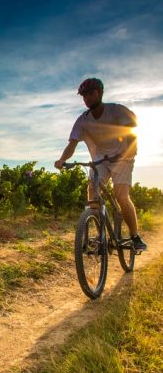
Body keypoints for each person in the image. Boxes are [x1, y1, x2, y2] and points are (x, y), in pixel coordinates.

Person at [54, 78, 147, 251]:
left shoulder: (117, 110)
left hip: (123, 157)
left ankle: (135, 236)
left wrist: (126, 152)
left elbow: (132, 133)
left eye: (90, 93)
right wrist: (62, 160)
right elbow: (72, 144)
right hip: (100, 160)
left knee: (121, 196)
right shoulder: (82, 120)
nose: (87, 98)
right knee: (92, 192)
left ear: (99, 93)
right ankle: (100, 234)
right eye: (84, 96)